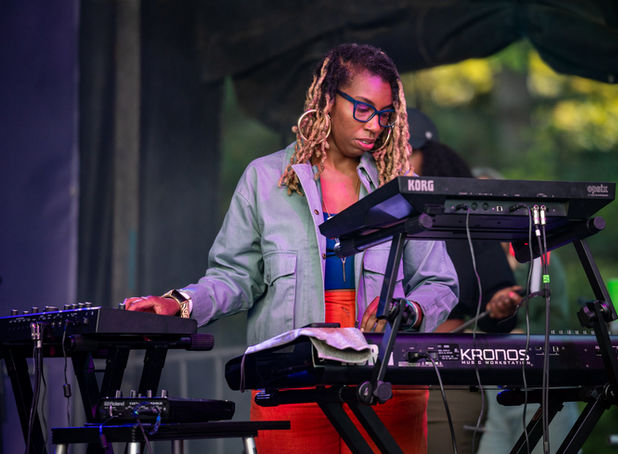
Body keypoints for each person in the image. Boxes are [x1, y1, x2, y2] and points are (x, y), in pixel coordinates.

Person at [124, 43, 459, 453]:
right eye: (363, 109)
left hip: (384, 384)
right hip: (293, 386)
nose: (375, 125)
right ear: (328, 100)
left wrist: (409, 311)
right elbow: (234, 276)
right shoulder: (264, 179)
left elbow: (439, 282)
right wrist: (182, 303)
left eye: (385, 115)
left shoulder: (400, 186)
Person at [406, 108, 521, 453]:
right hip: (375, 376)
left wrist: (502, 307)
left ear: (429, 155)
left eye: (405, 153)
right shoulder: (371, 214)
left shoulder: (465, 220)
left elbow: (501, 295)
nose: (396, 163)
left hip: (447, 379)